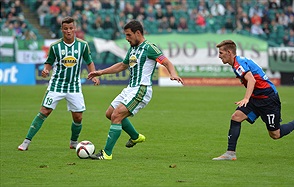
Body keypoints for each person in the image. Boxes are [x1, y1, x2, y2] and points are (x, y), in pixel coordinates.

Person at [87, 20, 184, 160]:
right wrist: (100, 72)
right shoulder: (132, 48)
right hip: (130, 88)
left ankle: (106, 154)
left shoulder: (150, 48)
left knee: (116, 116)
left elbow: (166, 62)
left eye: (128, 35)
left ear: (137, 33)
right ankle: (135, 137)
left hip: (141, 89)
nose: (127, 38)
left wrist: (173, 74)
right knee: (110, 113)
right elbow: (122, 65)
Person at [18, 16, 100, 151]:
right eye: (65, 28)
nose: (68, 31)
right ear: (62, 29)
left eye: (71, 28)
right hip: (57, 84)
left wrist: (94, 75)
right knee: (45, 111)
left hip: (74, 85)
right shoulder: (55, 47)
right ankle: (26, 141)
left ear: (75, 29)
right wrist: (45, 70)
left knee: (78, 116)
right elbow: (49, 63)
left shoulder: (82, 45)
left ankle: (74, 142)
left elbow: (89, 61)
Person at [212, 40, 294, 161]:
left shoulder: (239, 64)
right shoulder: (237, 63)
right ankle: (230, 153)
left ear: (229, 52)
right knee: (236, 117)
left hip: (268, 99)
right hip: (256, 98)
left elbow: (252, 80)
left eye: (221, 53)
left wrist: (246, 98)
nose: (219, 56)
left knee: (275, 134)